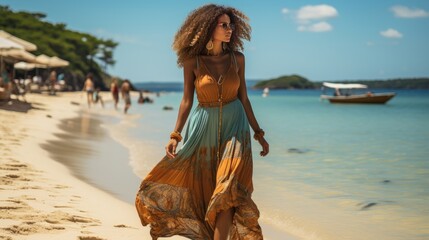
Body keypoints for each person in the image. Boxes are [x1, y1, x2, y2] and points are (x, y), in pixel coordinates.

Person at [135, 4, 269, 240]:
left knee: (228, 191)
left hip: (236, 129)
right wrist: (175, 135)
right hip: (202, 130)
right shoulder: (192, 62)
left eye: (231, 25)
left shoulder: (237, 59)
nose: (229, 29)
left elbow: (244, 99)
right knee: (206, 193)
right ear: (209, 28)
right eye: (223, 25)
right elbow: (186, 101)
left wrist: (259, 133)